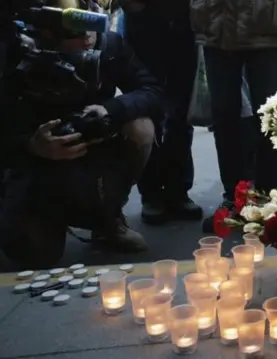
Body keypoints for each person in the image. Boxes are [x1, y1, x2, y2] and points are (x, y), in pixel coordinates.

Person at [0, 0, 163, 268]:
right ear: (47, 33)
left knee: (140, 127)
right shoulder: (17, 57)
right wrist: (31, 145)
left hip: (90, 146)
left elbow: (151, 91)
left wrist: (111, 110)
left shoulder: (108, 45)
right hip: (33, 163)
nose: (88, 40)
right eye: (76, 33)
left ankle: (108, 219)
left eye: (92, 29)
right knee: (36, 256)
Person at [191, 0, 277, 217]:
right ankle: (234, 196)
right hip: (216, 20)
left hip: (269, 22)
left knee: (272, 116)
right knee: (224, 116)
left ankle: (270, 196)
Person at [116, 0, 203, 225]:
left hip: (183, 18)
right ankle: (151, 193)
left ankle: (178, 190)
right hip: (143, 18)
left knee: (182, 113)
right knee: (147, 103)